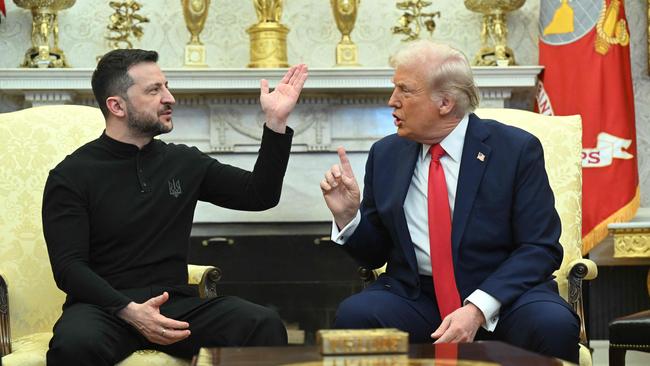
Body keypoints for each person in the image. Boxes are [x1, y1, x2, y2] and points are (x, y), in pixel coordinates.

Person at [42, 48, 308, 365]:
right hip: (104, 309)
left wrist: (276, 123)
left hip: (175, 307)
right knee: (73, 346)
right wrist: (128, 310)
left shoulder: (183, 162)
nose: (170, 98)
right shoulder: (70, 175)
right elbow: (69, 268)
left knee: (262, 324)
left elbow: (259, 195)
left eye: (166, 86)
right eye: (154, 90)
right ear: (117, 106)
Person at [320, 40, 579, 363]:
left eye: (405, 90)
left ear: (444, 102)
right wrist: (348, 217)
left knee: (552, 324)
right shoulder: (386, 155)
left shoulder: (515, 150)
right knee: (356, 316)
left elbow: (540, 248)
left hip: (506, 296)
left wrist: (477, 309)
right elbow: (374, 254)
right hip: (417, 297)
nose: (392, 102)